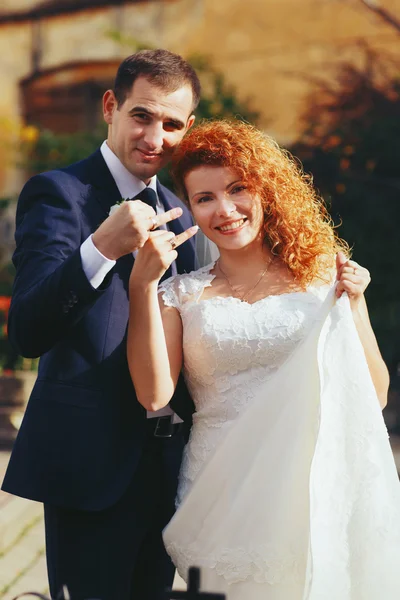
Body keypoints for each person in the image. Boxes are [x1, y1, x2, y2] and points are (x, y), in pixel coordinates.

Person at [127, 119, 400, 599]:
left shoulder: (322, 277)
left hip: (308, 484)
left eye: (238, 189)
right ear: (189, 208)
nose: (225, 210)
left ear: (268, 190)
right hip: (219, 488)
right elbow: (154, 394)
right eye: (204, 198)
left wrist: (354, 303)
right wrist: (142, 285)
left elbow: (373, 394)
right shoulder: (180, 295)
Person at [2, 49, 201, 600]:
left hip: (175, 470)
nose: (154, 136)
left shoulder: (188, 213)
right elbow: (28, 331)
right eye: (142, 115)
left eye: (171, 124)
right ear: (111, 107)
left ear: (188, 129)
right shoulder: (59, 193)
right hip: (89, 467)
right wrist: (101, 247)